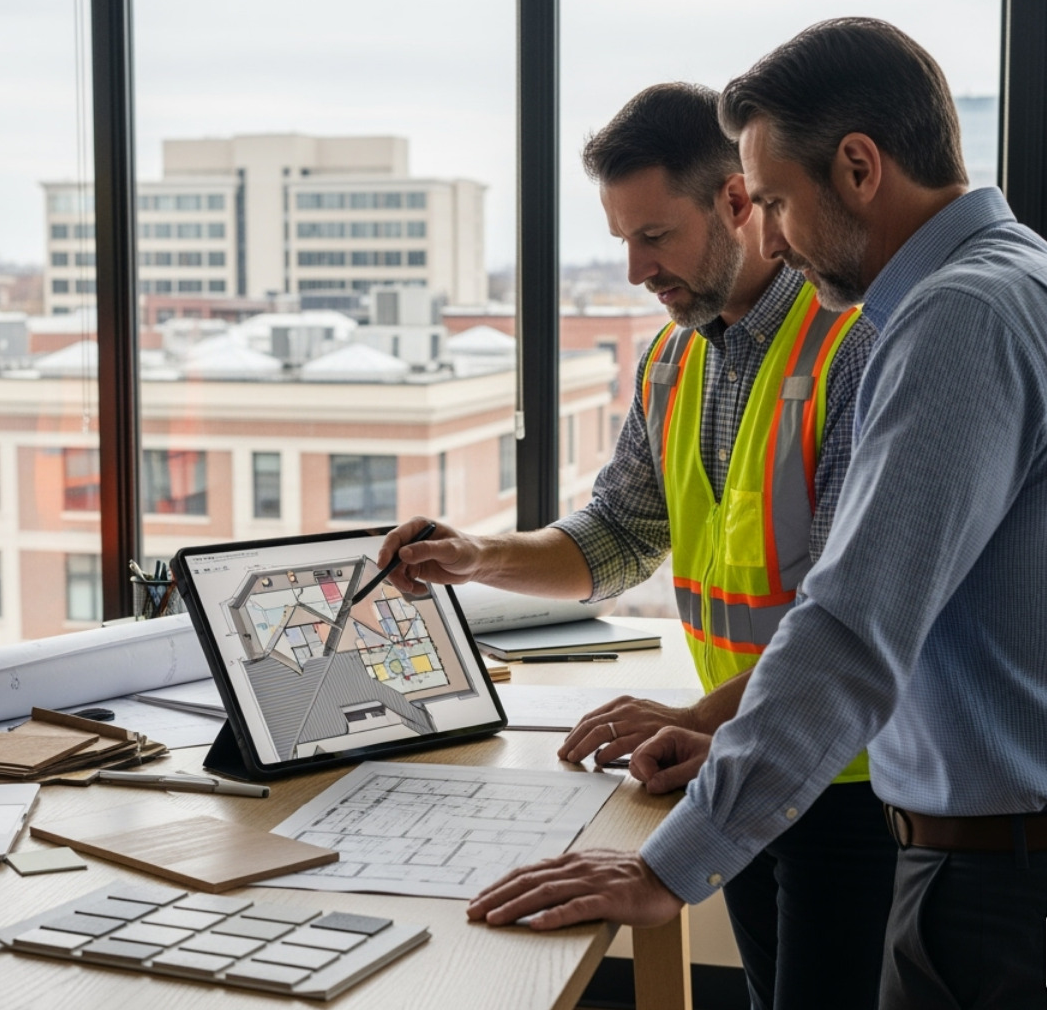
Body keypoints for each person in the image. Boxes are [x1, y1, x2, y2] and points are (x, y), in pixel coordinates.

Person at [466, 18, 1047, 1010]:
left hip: (1022, 890)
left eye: (772, 200)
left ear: (858, 166)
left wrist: (666, 869)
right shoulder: (1036, 280)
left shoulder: (960, 320)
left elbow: (851, 628)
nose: (766, 233)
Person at [378, 82, 894, 1009]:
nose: (632, 270)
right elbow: (619, 536)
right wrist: (476, 556)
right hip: (739, 759)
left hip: (853, 779)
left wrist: (701, 722)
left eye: (653, 237)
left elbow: (852, 616)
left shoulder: (854, 349)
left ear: (738, 203)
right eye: (621, 239)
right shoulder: (673, 358)